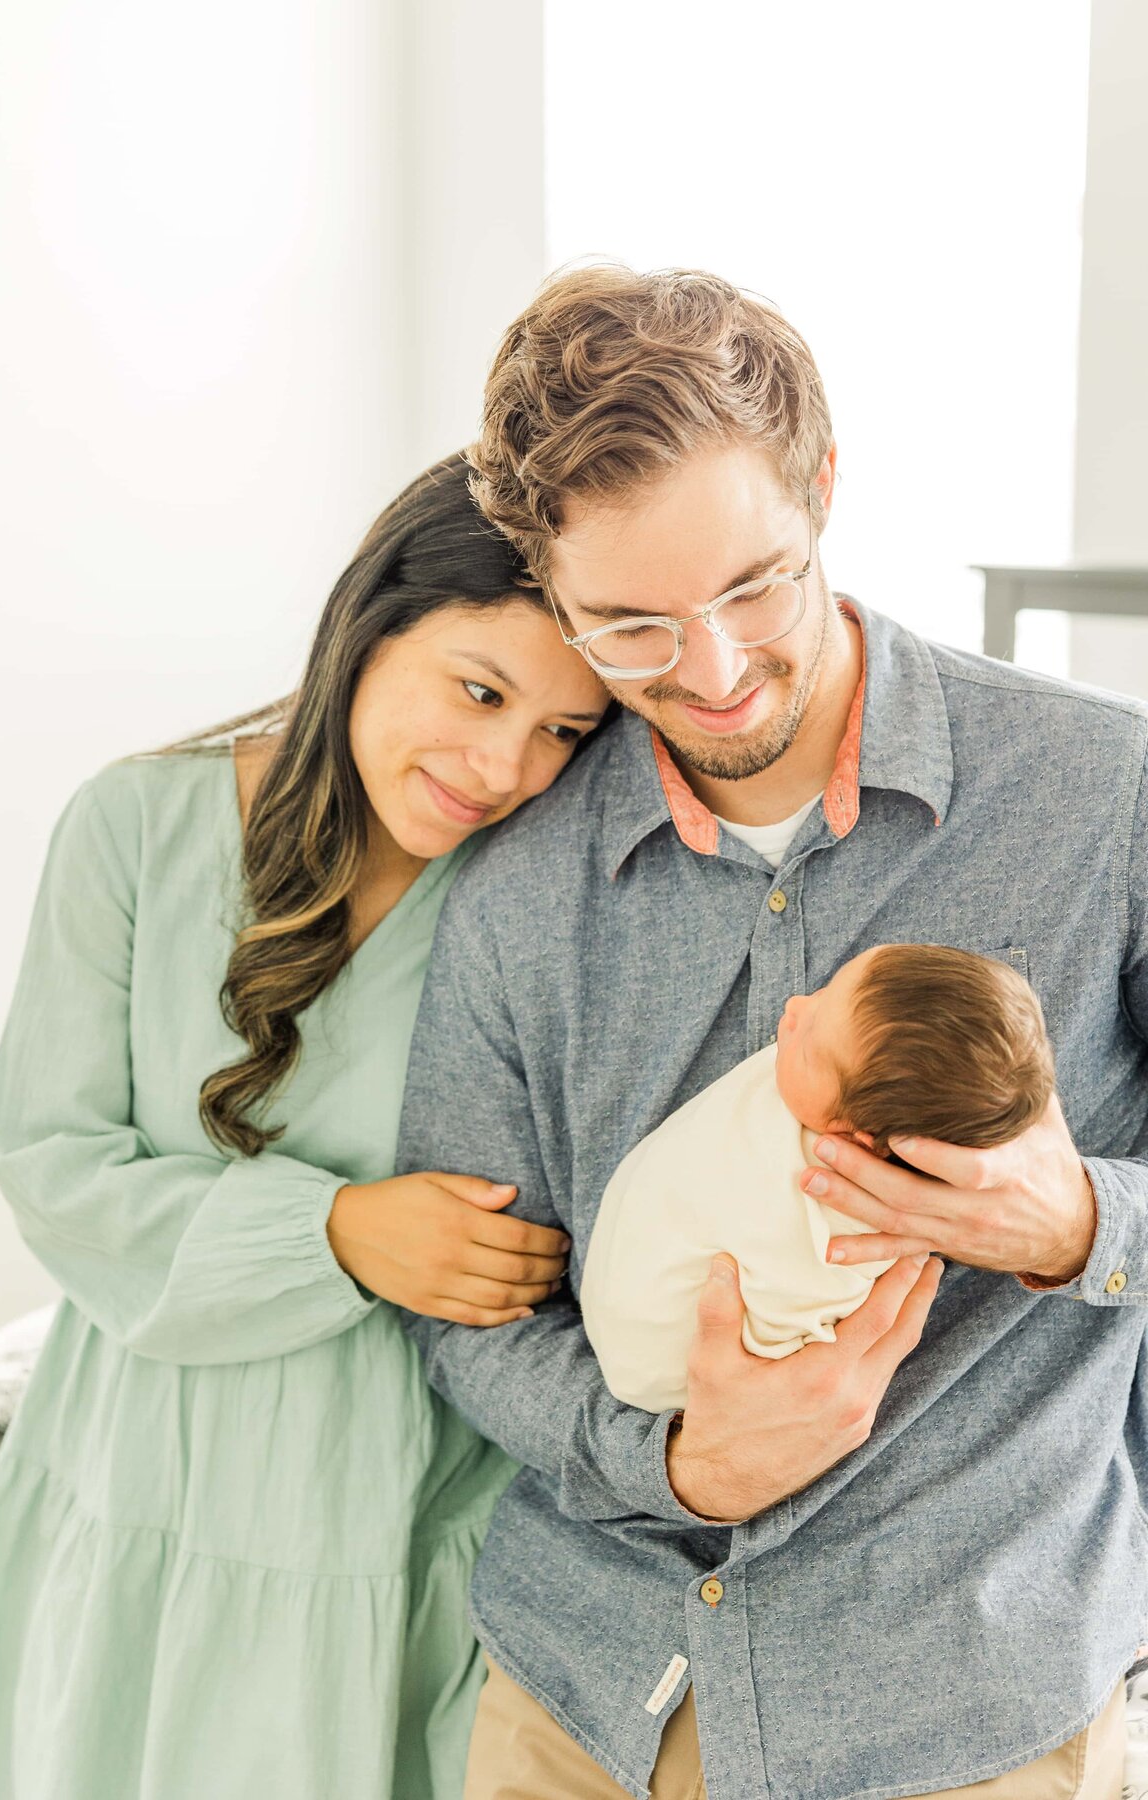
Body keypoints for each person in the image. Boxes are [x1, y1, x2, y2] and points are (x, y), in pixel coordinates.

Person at [397, 269, 1146, 1800]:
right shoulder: (514, 887)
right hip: (580, 1705)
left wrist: (1083, 1222)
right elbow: (467, 1305)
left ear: (822, 488)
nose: (718, 674)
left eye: (756, 586)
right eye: (630, 630)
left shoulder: (1103, 798)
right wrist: (665, 1464)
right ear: (549, 586)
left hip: (967, 1717)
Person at [0, 452, 605, 1800]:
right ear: (370, 624)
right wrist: (336, 1233)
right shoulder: (134, 825)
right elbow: (51, 1162)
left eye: (566, 733)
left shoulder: (546, 896)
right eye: (480, 691)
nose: (505, 766)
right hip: (130, 1478)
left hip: (402, 1509)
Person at [581, 944, 1055, 1411]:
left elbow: (798, 1340)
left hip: (668, 1366)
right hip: (621, 1302)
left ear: (859, 1139)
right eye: (824, 990)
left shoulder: (842, 1231)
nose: (795, 1007)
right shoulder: (838, 1067)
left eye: (807, 1044)